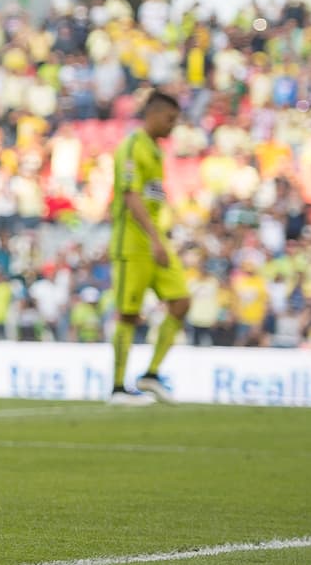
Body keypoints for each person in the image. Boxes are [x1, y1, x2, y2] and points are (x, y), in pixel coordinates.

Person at [107, 90, 189, 406]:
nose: (172, 126)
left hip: (156, 240)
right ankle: (117, 388)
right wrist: (156, 239)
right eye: (170, 119)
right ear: (153, 114)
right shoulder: (132, 147)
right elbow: (130, 196)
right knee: (129, 315)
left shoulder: (155, 151)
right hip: (133, 244)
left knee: (181, 302)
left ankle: (151, 375)